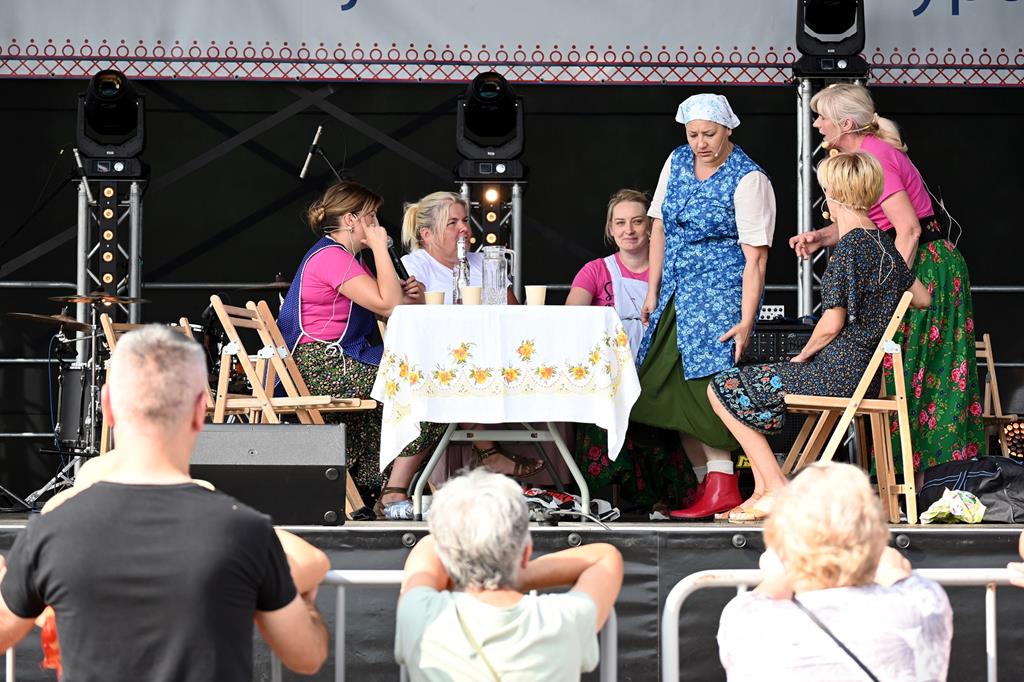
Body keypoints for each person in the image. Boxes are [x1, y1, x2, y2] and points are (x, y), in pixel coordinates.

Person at [0, 326, 329, 680]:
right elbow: (307, 656)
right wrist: (304, 605)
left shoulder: (49, 532)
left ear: (106, 405)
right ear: (200, 410)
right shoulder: (245, 532)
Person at [708, 152, 931, 522]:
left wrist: (803, 354)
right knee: (741, 385)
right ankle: (762, 491)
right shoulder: (884, 246)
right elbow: (921, 298)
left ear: (833, 194)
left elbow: (831, 323)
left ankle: (775, 487)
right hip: (865, 375)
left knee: (721, 386)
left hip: (836, 375)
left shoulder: (849, 248)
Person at [790, 83, 983, 474]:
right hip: (914, 264)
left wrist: (888, 290)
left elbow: (908, 229)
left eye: (822, 117)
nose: (817, 124)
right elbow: (870, 221)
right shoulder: (861, 156)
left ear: (845, 123)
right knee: (902, 374)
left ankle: (927, 477)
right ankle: (902, 476)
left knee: (919, 373)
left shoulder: (876, 155)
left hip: (926, 266)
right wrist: (822, 238)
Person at [634, 93, 776, 519]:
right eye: (693, 134)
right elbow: (659, 226)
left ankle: (726, 483)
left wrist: (747, 319)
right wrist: (652, 289)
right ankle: (709, 483)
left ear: (728, 129)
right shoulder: (677, 160)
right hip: (677, 292)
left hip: (719, 296)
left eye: (709, 134)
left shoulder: (748, 178)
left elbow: (756, 258)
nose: (700, 143)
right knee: (665, 384)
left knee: (708, 386)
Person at [277, 180, 446, 519]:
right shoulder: (332, 257)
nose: (377, 224)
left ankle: (383, 490)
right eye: (372, 216)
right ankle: (393, 492)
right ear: (352, 220)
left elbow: (392, 306)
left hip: (336, 360)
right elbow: (388, 305)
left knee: (431, 384)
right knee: (432, 387)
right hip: (323, 365)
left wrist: (407, 296)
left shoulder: (345, 258)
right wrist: (381, 248)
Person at [718, 462, 953, 681]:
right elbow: (905, 580)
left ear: (780, 540)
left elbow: (767, 590)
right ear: (876, 534)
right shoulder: (923, 604)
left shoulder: (746, 621)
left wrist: (781, 569)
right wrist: (889, 568)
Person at [394, 468, 623, 681]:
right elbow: (605, 557)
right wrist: (511, 573)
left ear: (447, 554)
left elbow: (428, 547)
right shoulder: (563, 619)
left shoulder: (420, 614)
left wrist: (475, 570)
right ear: (526, 553)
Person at [567, 189, 696, 513]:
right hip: (612, 378)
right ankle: (604, 499)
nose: (629, 230)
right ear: (610, 229)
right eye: (621, 223)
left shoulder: (670, 270)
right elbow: (571, 319)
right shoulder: (595, 271)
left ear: (650, 227)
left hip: (660, 373)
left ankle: (666, 499)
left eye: (637, 222)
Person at [400, 191, 542, 478]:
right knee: (455, 371)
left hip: (494, 355)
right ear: (427, 234)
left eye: (465, 220)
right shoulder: (414, 266)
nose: (464, 228)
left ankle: (513, 463)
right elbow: (411, 321)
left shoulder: (486, 261)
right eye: (452, 223)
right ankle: (489, 452)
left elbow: (515, 314)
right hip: (439, 359)